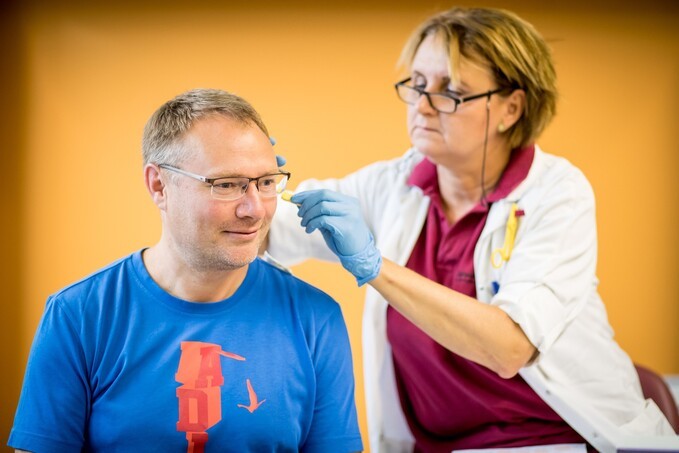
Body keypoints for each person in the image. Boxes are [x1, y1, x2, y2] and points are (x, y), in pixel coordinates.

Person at [265, 7, 678, 453]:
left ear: (511, 108)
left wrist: (375, 267)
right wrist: (252, 177)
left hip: (561, 441)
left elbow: (510, 348)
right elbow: (270, 226)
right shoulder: (392, 186)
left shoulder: (557, 192)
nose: (422, 106)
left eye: (451, 92)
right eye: (417, 84)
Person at [8, 88, 363, 453]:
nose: (255, 209)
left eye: (266, 182)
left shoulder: (316, 319)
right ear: (159, 185)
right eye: (227, 184)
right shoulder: (79, 315)